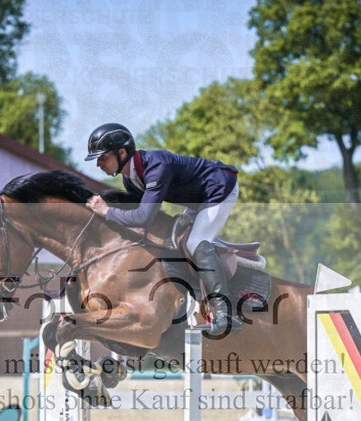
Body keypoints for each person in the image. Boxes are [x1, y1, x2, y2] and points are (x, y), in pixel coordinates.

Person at [83, 123, 242, 336]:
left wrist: (107, 212)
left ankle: (226, 314)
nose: (99, 164)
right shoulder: (130, 179)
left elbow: (143, 217)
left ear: (122, 152)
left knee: (196, 244)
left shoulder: (156, 166)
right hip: (197, 199)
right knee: (174, 239)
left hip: (219, 190)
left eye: (103, 157)